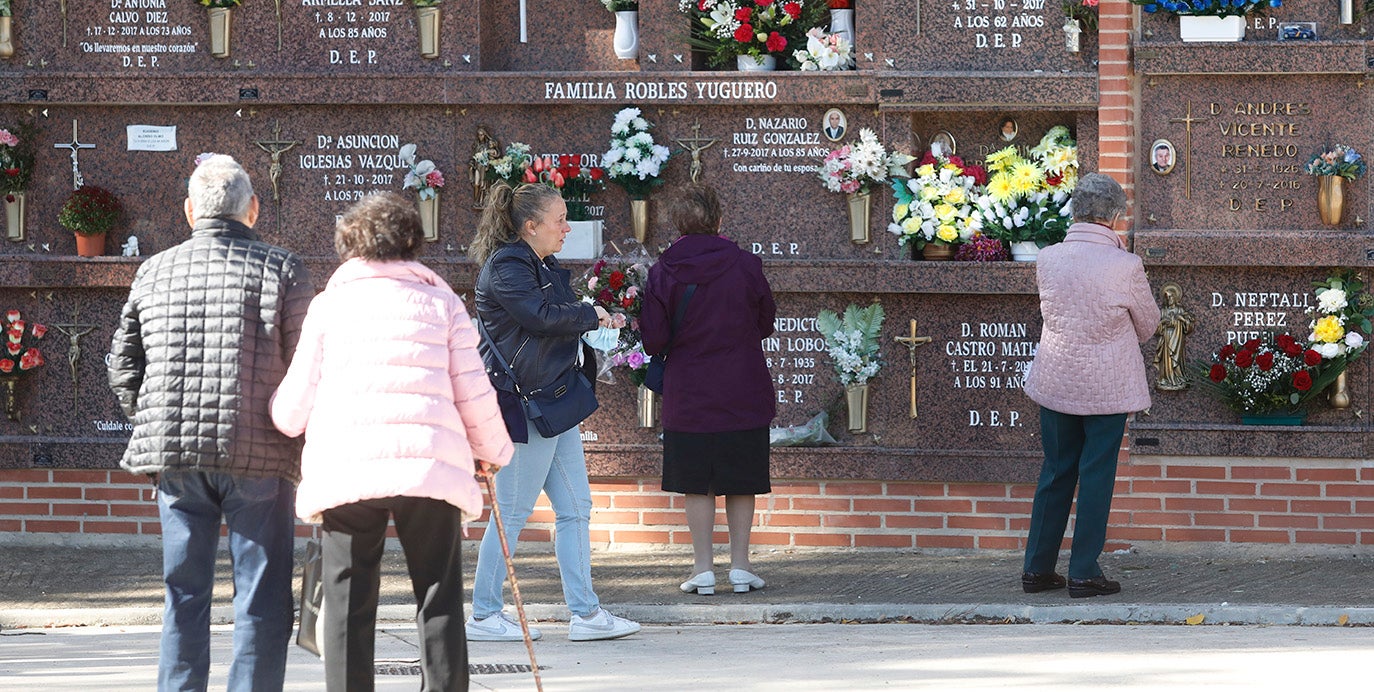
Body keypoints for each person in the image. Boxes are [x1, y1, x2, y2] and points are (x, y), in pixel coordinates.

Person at [270, 192, 514, 691]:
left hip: (348, 465)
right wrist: (495, 451)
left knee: (347, 598)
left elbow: (292, 409)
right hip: (431, 465)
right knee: (438, 594)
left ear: (350, 245)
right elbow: (473, 390)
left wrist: (282, 419)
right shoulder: (443, 303)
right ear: (411, 242)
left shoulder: (327, 307)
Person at [107, 154, 315, 690]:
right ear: (253, 208)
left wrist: (149, 420)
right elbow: (309, 366)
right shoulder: (284, 269)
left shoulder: (153, 270)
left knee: (184, 592)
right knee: (262, 596)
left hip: (174, 455)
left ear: (189, 211)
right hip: (261, 454)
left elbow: (122, 365)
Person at [466, 181, 642, 642]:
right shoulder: (507, 267)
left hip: (554, 400)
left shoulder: (541, 264)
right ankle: (484, 614)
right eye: (560, 219)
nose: (567, 228)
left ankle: (585, 614)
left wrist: (599, 319)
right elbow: (542, 317)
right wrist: (590, 318)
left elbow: (560, 314)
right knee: (513, 512)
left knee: (575, 507)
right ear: (531, 225)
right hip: (527, 405)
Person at [1019, 173, 1160, 599]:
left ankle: (1036, 570)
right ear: (1115, 217)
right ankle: (1083, 571)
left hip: (1057, 379)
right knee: (1096, 473)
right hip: (1107, 385)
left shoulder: (1048, 258)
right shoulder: (1126, 265)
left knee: (1056, 470)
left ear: (1076, 211)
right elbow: (1148, 325)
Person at [640, 183, 777, 596]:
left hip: (689, 391)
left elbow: (654, 339)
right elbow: (766, 321)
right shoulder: (746, 265)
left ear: (679, 225)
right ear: (719, 220)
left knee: (696, 482)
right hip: (742, 387)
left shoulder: (663, 270)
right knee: (741, 479)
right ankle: (740, 566)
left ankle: (702, 569)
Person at [1153, 284, 1193, 391]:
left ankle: (1179, 378)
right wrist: (1163, 322)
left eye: (1171, 297)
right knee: (1167, 360)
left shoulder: (1180, 310)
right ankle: (1167, 378)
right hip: (1166, 337)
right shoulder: (1163, 311)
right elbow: (1156, 328)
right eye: (1167, 297)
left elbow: (1189, 324)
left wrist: (1182, 320)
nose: (1169, 299)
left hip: (1177, 338)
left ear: (1175, 298)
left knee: (1176, 358)